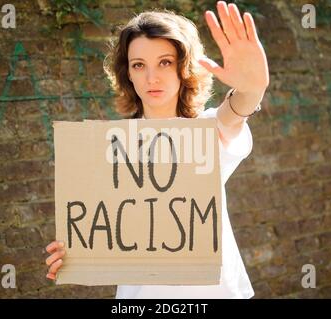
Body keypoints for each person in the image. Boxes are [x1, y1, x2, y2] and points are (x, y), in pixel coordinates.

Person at [45, 1, 269, 299]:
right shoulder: (111, 148)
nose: (152, 77)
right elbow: (109, 229)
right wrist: (75, 251)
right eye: (139, 65)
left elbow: (234, 112)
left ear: (183, 67)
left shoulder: (206, 131)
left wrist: (252, 89)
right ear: (129, 74)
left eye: (165, 62)